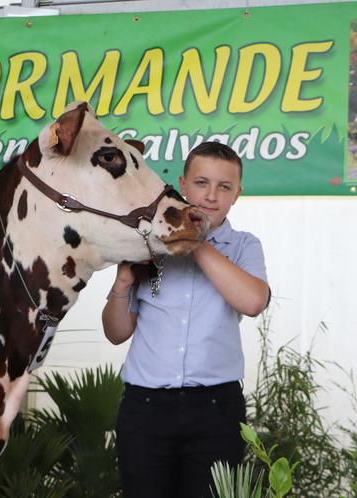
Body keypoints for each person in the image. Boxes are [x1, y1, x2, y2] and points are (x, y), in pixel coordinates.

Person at [102, 141, 270, 498]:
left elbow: (254, 302)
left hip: (216, 411)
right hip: (144, 409)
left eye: (224, 187)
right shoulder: (148, 243)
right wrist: (122, 282)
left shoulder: (244, 246)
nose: (211, 195)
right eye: (201, 183)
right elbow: (116, 333)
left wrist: (194, 238)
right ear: (182, 183)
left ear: (237, 194)